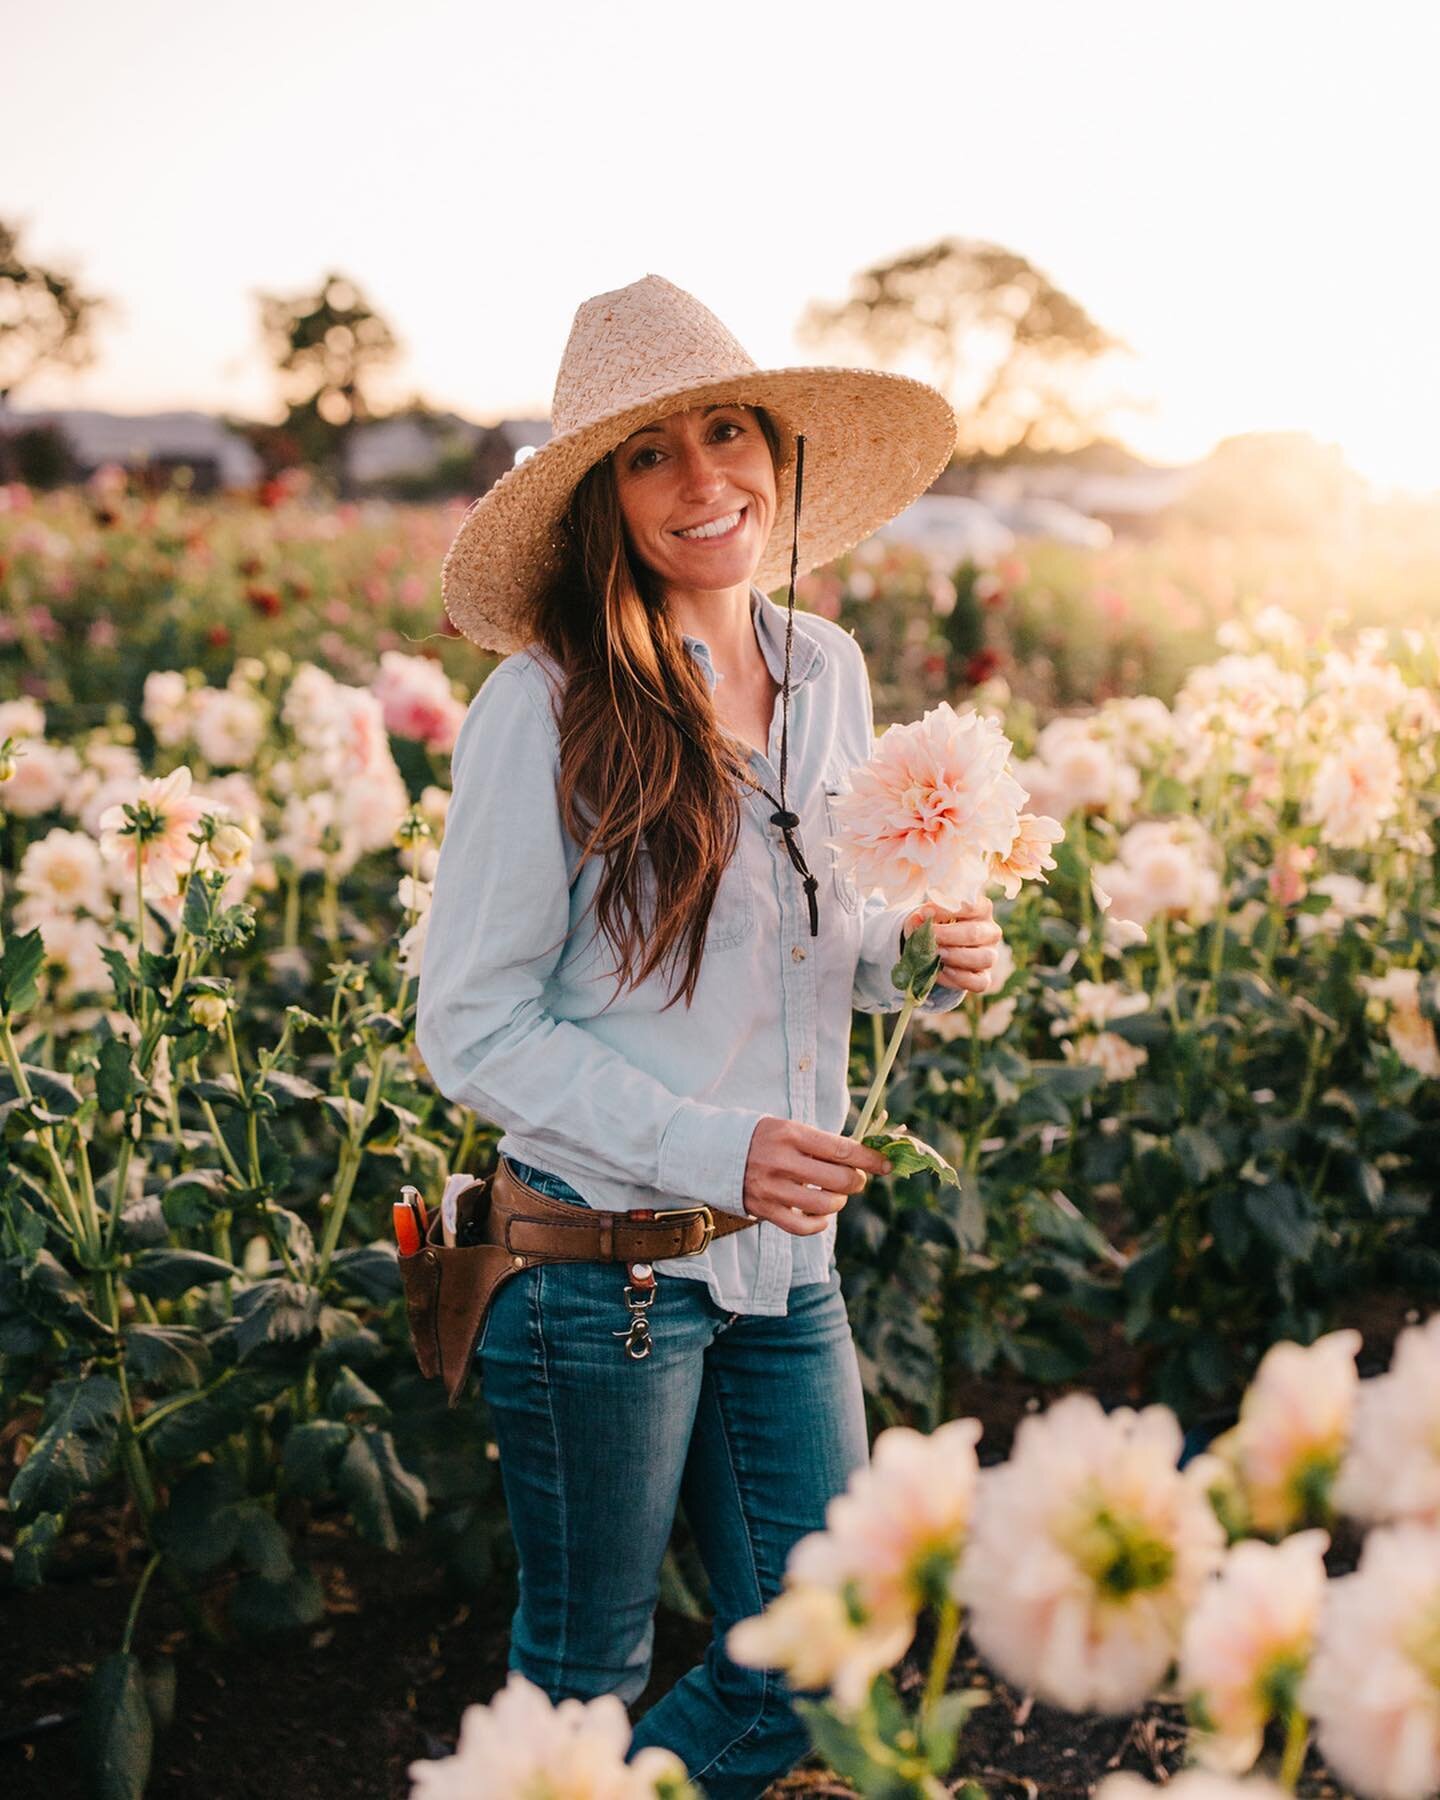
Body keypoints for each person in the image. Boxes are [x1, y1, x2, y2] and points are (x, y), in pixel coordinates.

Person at [415, 274, 1005, 1800]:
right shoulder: (540, 706)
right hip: (602, 1271)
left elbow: (816, 944)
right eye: (650, 452)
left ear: (777, 454)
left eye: (727, 432)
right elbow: (470, 1026)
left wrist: (923, 956)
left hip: (783, 1271)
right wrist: (715, 1148)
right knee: (582, 1688)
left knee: (823, 1656)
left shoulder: (827, 673)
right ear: (602, 501)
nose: (703, 480)